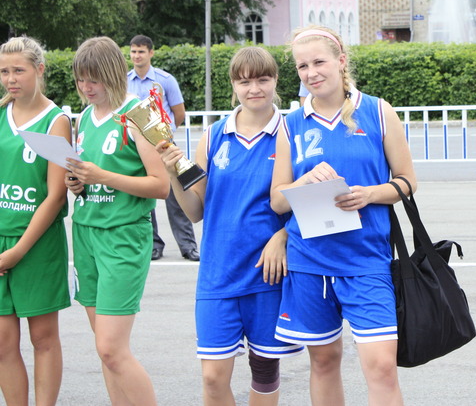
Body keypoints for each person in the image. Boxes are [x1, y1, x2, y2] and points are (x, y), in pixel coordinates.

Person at [270, 25, 416, 406]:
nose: (311, 73)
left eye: (319, 62)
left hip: (367, 260)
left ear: (341, 61)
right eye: (302, 66)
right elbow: (277, 201)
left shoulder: (378, 111)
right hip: (309, 262)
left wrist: (370, 194)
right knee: (323, 362)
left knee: (382, 367)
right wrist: (303, 181)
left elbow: (407, 182)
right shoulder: (290, 124)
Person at [156, 46, 303, 405]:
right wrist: (173, 172)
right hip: (218, 272)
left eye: (262, 80)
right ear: (233, 85)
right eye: (244, 81)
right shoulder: (213, 135)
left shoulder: (291, 132)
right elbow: (196, 210)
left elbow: (304, 200)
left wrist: (284, 235)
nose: (254, 89)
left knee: (264, 369)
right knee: (212, 378)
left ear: (275, 81)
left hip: (268, 273)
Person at [65, 36, 170, 406]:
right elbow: (89, 174)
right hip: (86, 232)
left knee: (112, 349)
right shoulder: (84, 117)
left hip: (123, 236)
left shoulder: (141, 114)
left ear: (112, 73)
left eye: (93, 79)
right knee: (104, 350)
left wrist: (102, 176)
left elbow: (161, 185)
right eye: (80, 79)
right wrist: (77, 183)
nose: (86, 87)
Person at [0, 37, 72, 406]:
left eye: (18, 70)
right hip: (0, 240)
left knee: (42, 338)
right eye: (4, 71)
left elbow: (56, 195)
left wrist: (17, 251)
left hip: (37, 244)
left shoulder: (55, 121)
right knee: (2, 341)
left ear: (39, 70)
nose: (10, 79)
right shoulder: (0, 114)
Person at [127, 34, 199, 261]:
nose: (137, 56)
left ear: (151, 53)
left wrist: (165, 134)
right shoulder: (124, 81)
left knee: (176, 195)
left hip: (164, 145)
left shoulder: (165, 80)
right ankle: (154, 245)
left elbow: (179, 112)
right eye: (133, 51)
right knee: (146, 196)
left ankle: (188, 246)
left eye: (141, 51)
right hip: (137, 148)